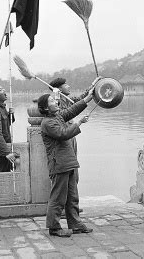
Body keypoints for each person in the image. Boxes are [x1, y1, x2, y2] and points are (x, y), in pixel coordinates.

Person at [38, 90, 94, 237]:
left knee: (72, 196)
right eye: (51, 101)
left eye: (54, 100)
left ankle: (75, 224)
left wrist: (87, 99)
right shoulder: (47, 123)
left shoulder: (57, 117)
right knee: (58, 197)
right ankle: (54, 227)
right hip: (59, 164)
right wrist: (79, 123)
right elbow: (63, 134)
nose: (55, 102)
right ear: (45, 108)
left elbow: (71, 110)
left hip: (68, 162)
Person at [48, 76, 100, 214]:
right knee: (65, 176)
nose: (69, 86)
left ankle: (72, 206)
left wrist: (94, 84)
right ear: (58, 89)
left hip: (71, 135)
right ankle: (65, 208)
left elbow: (82, 99)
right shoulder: (56, 102)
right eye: (66, 85)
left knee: (73, 174)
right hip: (64, 137)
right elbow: (59, 117)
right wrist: (55, 96)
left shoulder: (68, 99)